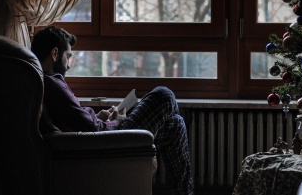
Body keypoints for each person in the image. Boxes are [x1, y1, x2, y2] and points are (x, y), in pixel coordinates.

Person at [31, 26, 194, 195]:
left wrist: (99, 117)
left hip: (102, 138)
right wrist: (114, 122)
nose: (68, 66)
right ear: (55, 53)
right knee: (164, 95)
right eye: (68, 57)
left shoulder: (46, 83)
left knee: (175, 124)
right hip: (107, 143)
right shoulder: (52, 85)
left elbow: (75, 118)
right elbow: (90, 129)